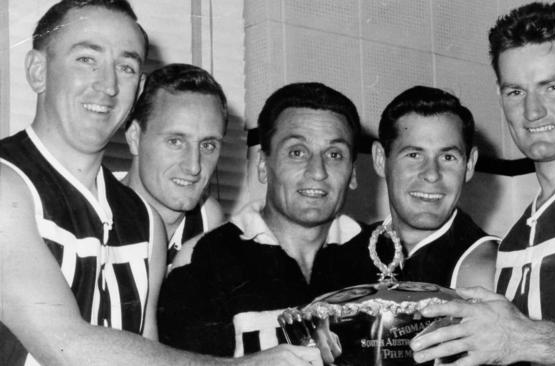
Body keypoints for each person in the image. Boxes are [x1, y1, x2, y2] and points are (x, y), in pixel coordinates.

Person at [0, 1, 321, 365]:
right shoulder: (8, 184)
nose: (107, 85)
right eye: (86, 59)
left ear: (138, 87)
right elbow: (66, 347)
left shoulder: (144, 221)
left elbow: (151, 356)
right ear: (37, 71)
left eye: (125, 67)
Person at [410, 3, 555, 365]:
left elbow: (524, 342)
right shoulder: (514, 239)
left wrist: (525, 339)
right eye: (516, 92)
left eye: (552, 86)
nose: (533, 111)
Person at [157, 82, 364, 358]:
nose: (317, 172)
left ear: (352, 174)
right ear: (263, 166)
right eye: (297, 153)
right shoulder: (204, 260)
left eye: (334, 155)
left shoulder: (383, 254)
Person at [334, 86, 499, 291]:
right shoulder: (345, 258)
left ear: (470, 165)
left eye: (448, 157)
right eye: (414, 155)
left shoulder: (491, 268)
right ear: (379, 159)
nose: (431, 174)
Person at [122, 63, 225, 266]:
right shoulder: (92, 220)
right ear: (135, 138)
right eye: (175, 142)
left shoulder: (207, 220)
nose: (194, 166)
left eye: (208, 145)